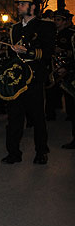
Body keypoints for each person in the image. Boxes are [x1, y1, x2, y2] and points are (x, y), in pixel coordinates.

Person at [1, 0, 55, 165]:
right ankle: (13, 152)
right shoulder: (15, 28)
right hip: (17, 78)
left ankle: (41, 151)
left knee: (38, 116)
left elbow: (48, 52)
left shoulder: (45, 26)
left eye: (22, 4)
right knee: (14, 117)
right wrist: (12, 50)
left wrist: (28, 51)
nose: (18, 7)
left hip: (34, 77)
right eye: (19, 4)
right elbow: (10, 53)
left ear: (33, 7)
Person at [47, 9, 75, 148]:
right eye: (55, 19)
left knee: (71, 99)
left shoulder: (71, 34)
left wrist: (63, 52)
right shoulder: (53, 34)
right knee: (52, 92)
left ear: (65, 21)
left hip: (68, 71)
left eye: (58, 20)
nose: (55, 22)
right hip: (55, 68)